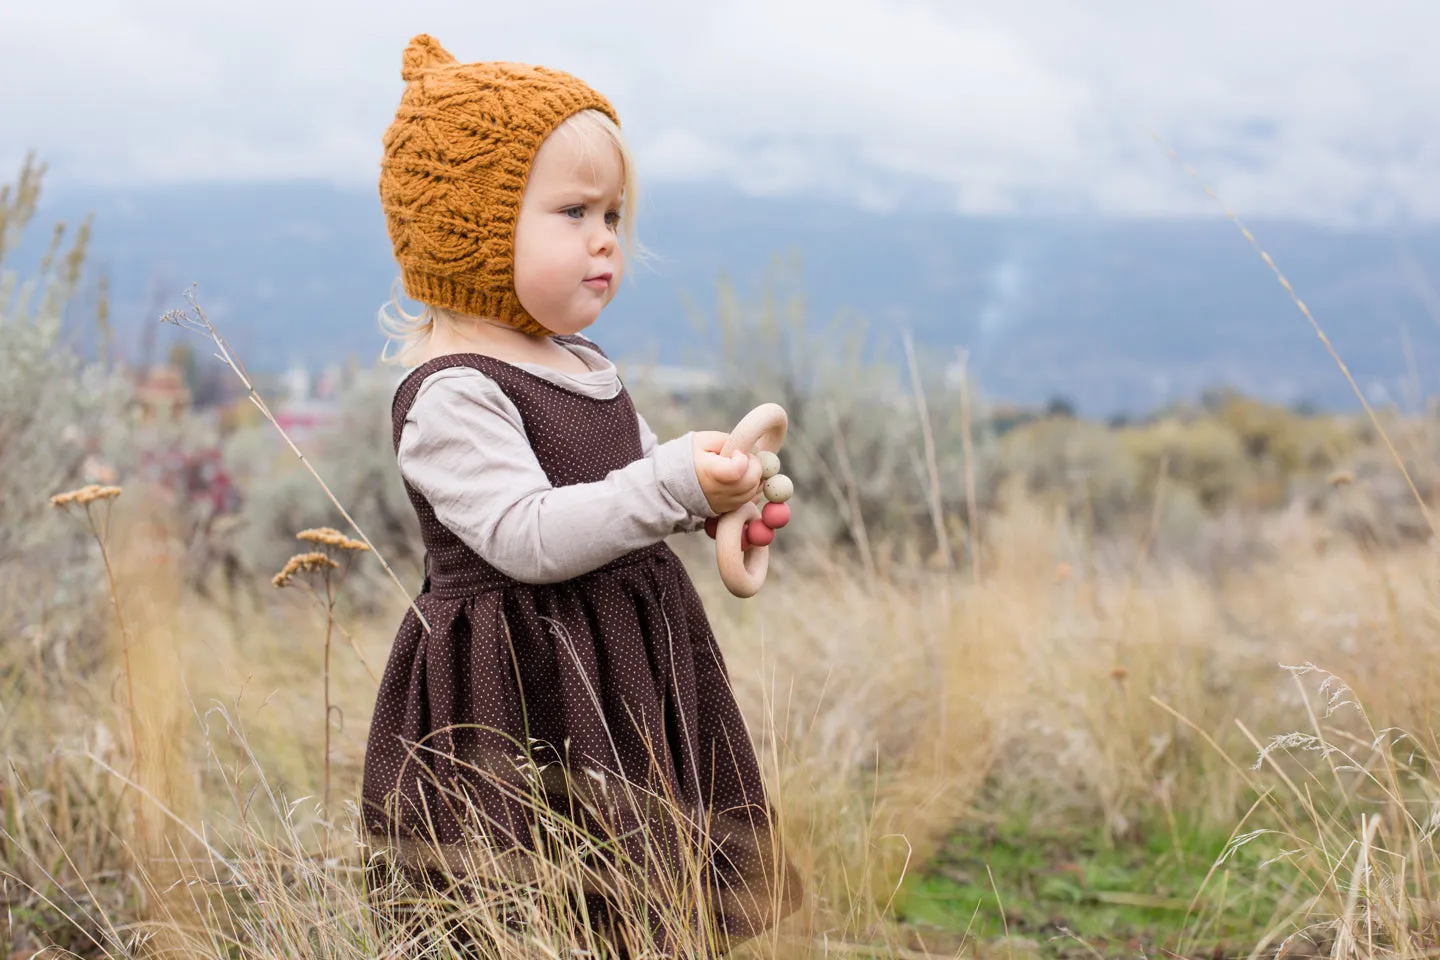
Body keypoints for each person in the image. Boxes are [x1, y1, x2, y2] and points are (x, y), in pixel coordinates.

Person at [359, 34, 802, 957]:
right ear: (469, 231)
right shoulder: (455, 391)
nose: (605, 238)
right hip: (522, 682)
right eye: (572, 211)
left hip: (625, 660)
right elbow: (527, 537)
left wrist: (712, 499)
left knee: (647, 880)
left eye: (613, 213)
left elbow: (633, 491)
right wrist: (668, 480)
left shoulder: (584, 364)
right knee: (535, 892)